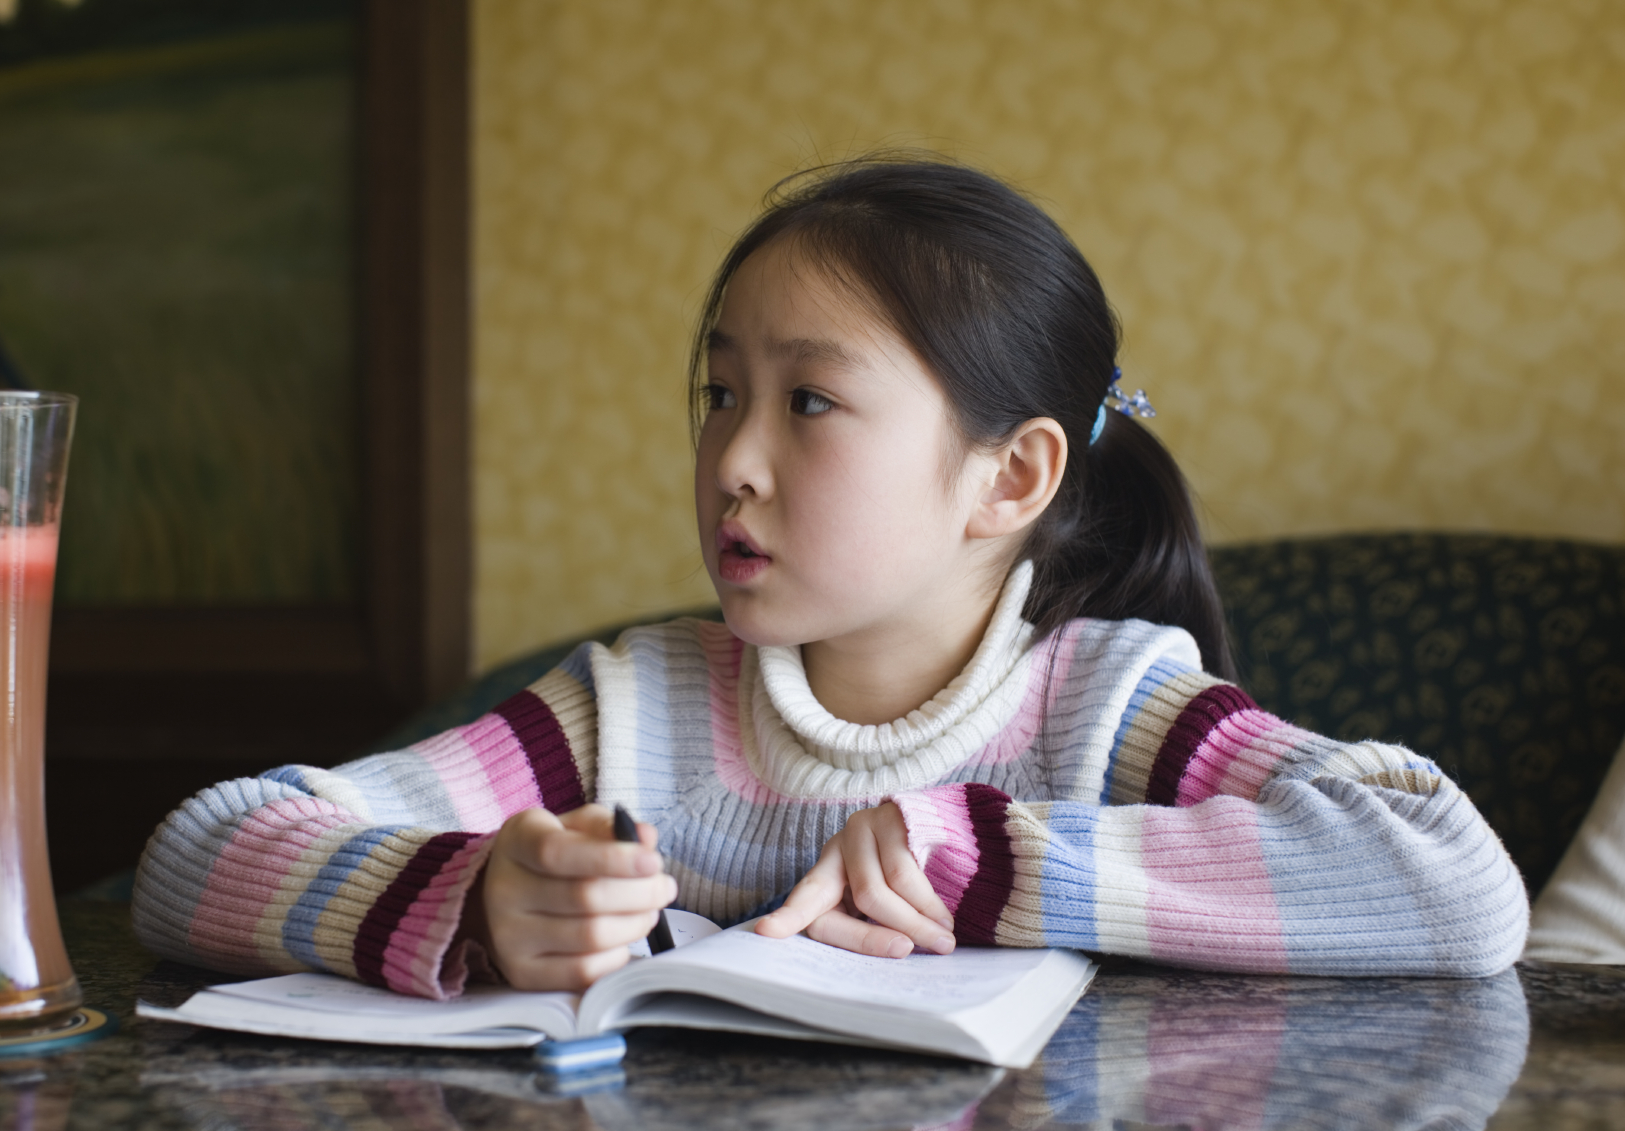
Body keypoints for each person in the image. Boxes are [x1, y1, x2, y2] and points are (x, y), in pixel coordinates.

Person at [132, 158, 1528, 998]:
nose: (731, 460)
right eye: (717, 391)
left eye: (808, 404)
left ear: (1012, 478)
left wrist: (980, 861)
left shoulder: (1111, 708)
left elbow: (1451, 890)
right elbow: (200, 852)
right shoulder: (633, 709)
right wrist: (472, 900)